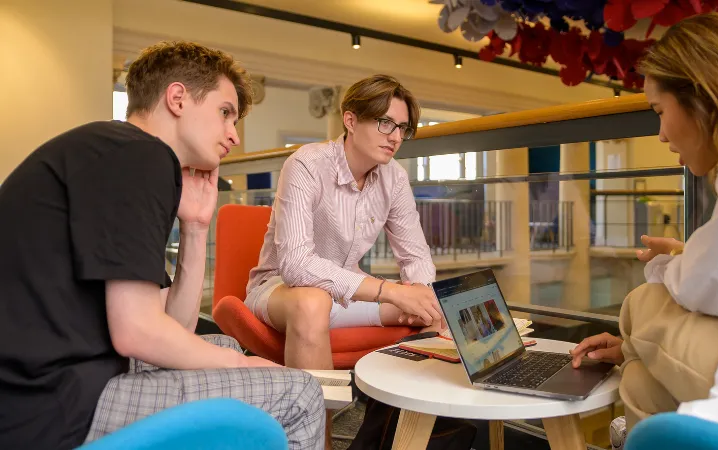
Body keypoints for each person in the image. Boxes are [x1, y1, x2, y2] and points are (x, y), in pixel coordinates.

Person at [0, 41, 325, 450]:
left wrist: (194, 227)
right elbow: (137, 333)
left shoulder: (115, 151)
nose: (234, 136)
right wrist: (242, 362)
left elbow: (172, 330)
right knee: (299, 393)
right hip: (48, 402)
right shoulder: (139, 155)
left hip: (50, 380)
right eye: (225, 113)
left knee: (220, 343)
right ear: (177, 98)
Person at [569, 12, 718, 448]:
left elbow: (705, 289)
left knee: (645, 298)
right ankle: (632, 363)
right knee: (638, 382)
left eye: (659, 111)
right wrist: (685, 258)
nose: (660, 134)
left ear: (700, 94)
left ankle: (630, 349)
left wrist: (668, 264)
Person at [245, 74, 443, 371]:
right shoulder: (306, 164)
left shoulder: (395, 177)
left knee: (432, 310)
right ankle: (313, 418)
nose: (396, 137)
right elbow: (296, 266)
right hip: (283, 292)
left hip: (344, 297)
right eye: (385, 123)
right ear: (350, 121)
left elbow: (415, 256)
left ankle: (395, 417)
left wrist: (422, 293)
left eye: (402, 128)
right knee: (312, 302)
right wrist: (391, 291)